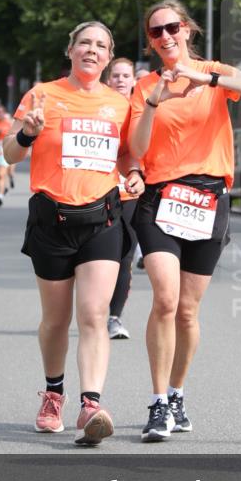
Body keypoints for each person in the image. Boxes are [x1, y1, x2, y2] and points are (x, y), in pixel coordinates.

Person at [129, 0, 241, 442]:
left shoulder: (214, 73)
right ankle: (156, 405)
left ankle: (176, 394)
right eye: (156, 32)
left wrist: (203, 76)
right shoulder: (144, 86)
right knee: (166, 300)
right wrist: (154, 101)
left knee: (188, 312)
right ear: (151, 42)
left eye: (171, 27)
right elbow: (136, 147)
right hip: (161, 198)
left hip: (209, 198)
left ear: (187, 29)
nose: (166, 37)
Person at [3, 21, 144, 446]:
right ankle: (53, 393)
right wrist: (28, 131)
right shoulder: (42, 95)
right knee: (56, 320)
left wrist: (134, 172)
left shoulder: (120, 104)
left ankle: (91, 404)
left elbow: (126, 154)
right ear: (70, 50)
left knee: (94, 315)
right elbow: (9, 153)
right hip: (52, 220)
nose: (92, 50)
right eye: (85, 42)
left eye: (101, 46)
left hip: (101, 218)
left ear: (108, 56)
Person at [105, 57, 139, 340]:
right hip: (99, 192)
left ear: (133, 80)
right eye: (115, 75)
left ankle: (114, 317)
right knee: (98, 257)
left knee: (125, 255)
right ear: (108, 80)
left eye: (125, 75)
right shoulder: (99, 108)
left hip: (130, 192)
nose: (120, 80)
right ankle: (92, 310)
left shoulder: (141, 110)